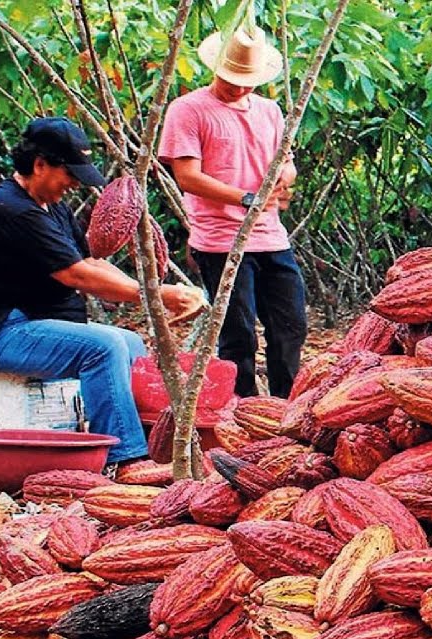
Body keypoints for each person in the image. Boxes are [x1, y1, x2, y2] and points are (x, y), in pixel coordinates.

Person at [0, 117, 206, 466]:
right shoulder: (12, 210)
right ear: (40, 165)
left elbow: (90, 262)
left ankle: (156, 442)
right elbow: (78, 276)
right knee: (103, 348)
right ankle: (127, 459)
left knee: (130, 344)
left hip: (30, 323)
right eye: (69, 174)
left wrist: (156, 292)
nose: (73, 184)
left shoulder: (51, 206)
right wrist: (158, 295)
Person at [158, 24, 305, 398]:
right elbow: (188, 176)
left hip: (271, 236)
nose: (238, 88)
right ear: (217, 67)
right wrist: (246, 198)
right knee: (238, 336)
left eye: (247, 81)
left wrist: (284, 178)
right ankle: (242, 413)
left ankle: (286, 407)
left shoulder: (271, 111)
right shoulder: (188, 109)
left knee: (290, 327)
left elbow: (286, 163)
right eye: (232, 79)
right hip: (220, 238)